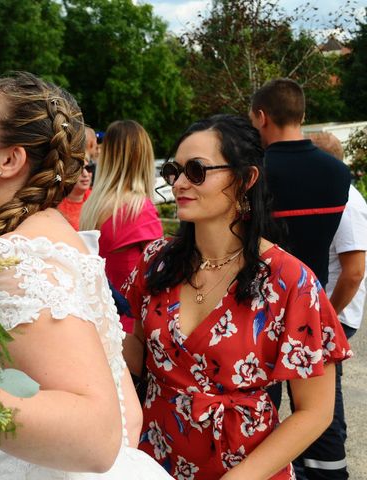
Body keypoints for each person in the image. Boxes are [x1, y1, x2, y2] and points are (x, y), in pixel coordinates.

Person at [0, 71, 172, 479]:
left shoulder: (20, 260)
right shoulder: (52, 237)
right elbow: (128, 415)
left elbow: (97, 436)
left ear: (10, 159)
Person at [122, 114, 351, 479]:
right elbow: (138, 354)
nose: (179, 183)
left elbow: (316, 411)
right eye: (174, 170)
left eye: (196, 170)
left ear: (245, 178)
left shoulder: (291, 283)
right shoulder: (156, 261)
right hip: (155, 459)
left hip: (245, 467)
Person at [250, 79, 352, 479]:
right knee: (321, 411)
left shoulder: (257, 173)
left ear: (261, 116)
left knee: (262, 409)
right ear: (302, 115)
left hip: (258, 309)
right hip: (314, 305)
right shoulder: (336, 172)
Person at [309, 131, 367, 477]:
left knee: (321, 396)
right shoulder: (333, 193)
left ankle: (330, 472)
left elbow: (354, 272)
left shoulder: (346, 200)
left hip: (332, 313)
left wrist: (326, 317)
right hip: (325, 312)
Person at [79, 120, 163, 333]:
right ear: (143, 157)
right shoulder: (139, 209)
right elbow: (159, 276)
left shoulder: (91, 205)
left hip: (96, 318)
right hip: (131, 328)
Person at [56, 156, 93, 230]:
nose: (85, 174)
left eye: (88, 168)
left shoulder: (96, 198)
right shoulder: (55, 206)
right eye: (79, 170)